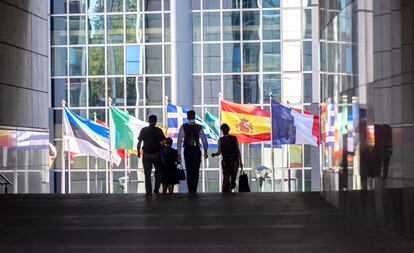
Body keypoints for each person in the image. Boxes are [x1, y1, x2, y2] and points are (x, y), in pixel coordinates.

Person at [176, 110, 208, 193]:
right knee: (196, 171)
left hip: (187, 151)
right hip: (196, 151)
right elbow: (204, 140)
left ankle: (190, 189)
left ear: (187, 117)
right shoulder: (199, 127)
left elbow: (179, 140)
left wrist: (178, 154)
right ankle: (194, 188)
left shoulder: (184, 127)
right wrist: (205, 151)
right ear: (194, 116)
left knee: (189, 170)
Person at [137, 115, 166, 194]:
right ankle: (156, 189)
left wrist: (138, 152)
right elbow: (164, 141)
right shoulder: (158, 130)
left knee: (147, 174)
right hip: (156, 153)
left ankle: (148, 192)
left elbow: (139, 142)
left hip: (146, 154)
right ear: (156, 121)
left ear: (148, 121)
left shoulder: (144, 130)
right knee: (158, 172)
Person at [212, 123, 243, 192]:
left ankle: (226, 191)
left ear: (222, 131)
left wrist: (214, 154)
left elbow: (219, 152)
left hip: (226, 162)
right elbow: (238, 150)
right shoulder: (234, 138)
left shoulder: (220, 140)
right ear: (228, 129)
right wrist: (240, 162)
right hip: (234, 161)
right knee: (233, 177)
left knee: (226, 177)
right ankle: (231, 187)